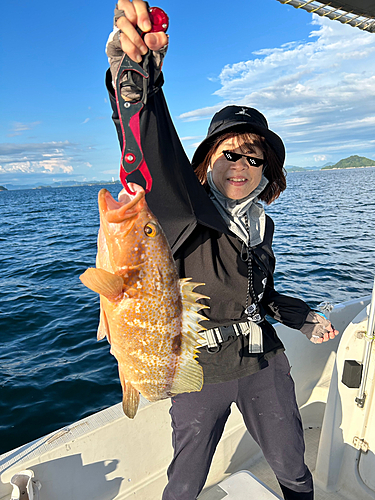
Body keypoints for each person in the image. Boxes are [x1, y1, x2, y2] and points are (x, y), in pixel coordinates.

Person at [105, 2, 339, 499]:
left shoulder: (260, 223)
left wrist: (302, 318)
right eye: (229, 153)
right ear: (208, 160)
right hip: (199, 369)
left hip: (261, 360)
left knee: (293, 465)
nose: (242, 165)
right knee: (185, 479)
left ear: (266, 170)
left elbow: (260, 293)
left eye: (254, 158)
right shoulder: (182, 212)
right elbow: (153, 152)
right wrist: (137, 74)